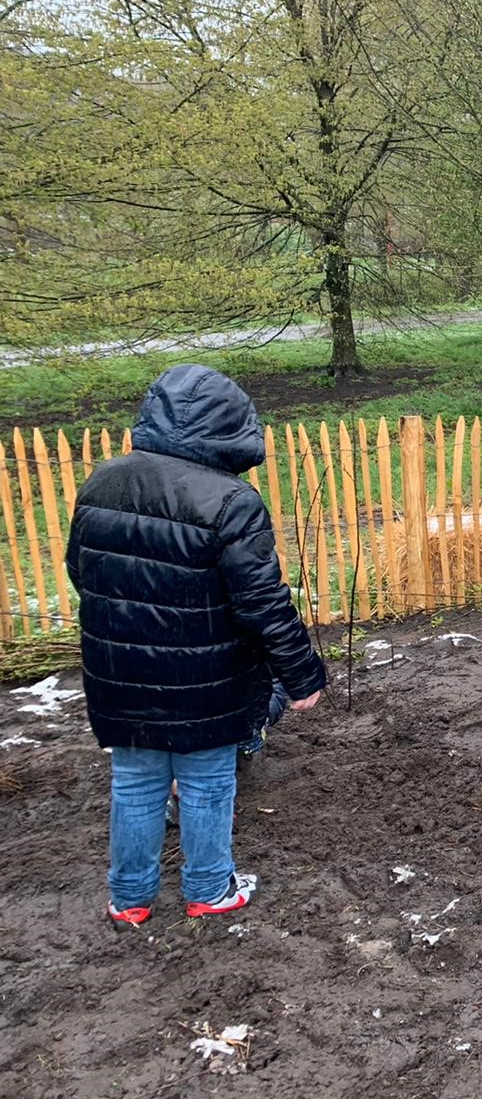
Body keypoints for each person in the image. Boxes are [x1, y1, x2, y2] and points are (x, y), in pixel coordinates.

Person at [66, 365, 326, 927]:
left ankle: (129, 900)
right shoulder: (231, 500)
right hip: (206, 679)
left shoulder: (101, 483)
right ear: (229, 427)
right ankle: (210, 889)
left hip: (120, 672)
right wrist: (302, 676)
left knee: (135, 784)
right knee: (208, 782)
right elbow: (262, 602)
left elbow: (80, 571)